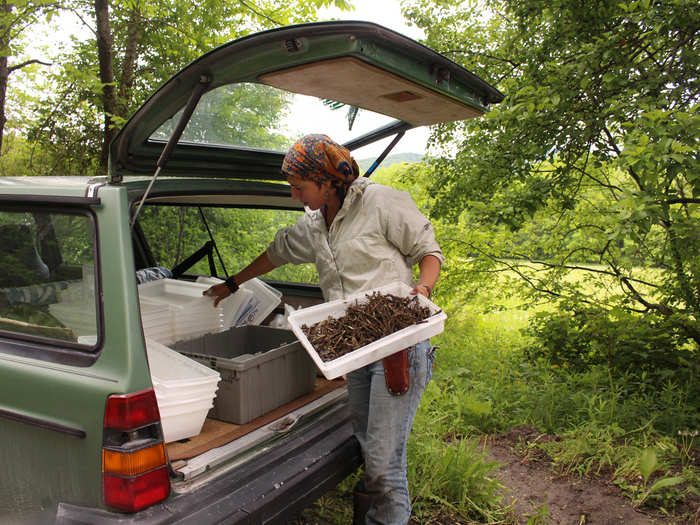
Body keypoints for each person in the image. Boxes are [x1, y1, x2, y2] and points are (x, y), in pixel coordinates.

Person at [203, 134, 442, 525]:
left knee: (384, 463)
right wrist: (232, 283)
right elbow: (275, 254)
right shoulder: (314, 225)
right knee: (369, 448)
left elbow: (428, 251)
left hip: (398, 346)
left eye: (300, 187)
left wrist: (423, 289)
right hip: (356, 351)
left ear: (328, 180)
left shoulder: (380, 202)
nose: (295, 195)